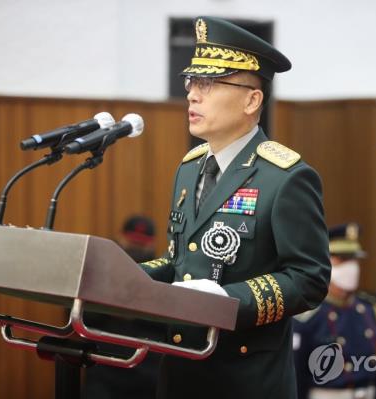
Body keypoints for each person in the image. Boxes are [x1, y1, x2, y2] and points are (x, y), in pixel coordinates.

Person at [138, 16, 331, 399]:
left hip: (245, 379)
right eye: (192, 82)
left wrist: (230, 301)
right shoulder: (190, 167)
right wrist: (119, 274)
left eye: (208, 84)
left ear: (251, 99)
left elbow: (310, 278)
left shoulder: (286, 177)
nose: (192, 94)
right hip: (180, 371)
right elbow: (179, 260)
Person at [293, 223, 376, 399]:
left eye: (354, 260)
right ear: (325, 262)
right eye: (343, 260)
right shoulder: (307, 315)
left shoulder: (370, 310)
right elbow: (297, 375)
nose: (351, 268)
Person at [84, 215, 162, 399]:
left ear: (152, 245)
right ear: (120, 238)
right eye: (132, 242)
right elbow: (79, 314)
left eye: (141, 244)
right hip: (104, 368)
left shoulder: (163, 276)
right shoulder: (100, 270)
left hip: (149, 374)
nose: (136, 249)